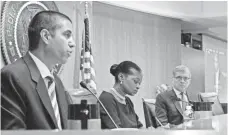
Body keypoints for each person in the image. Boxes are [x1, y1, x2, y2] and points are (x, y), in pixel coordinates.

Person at [1, 11, 76, 130]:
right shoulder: (12, 76)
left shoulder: (57, 82)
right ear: (46, 36)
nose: (73, 43)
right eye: (67, 35)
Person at [99, 61, 143, 129]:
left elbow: (139, 127)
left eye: (139, 83)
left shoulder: (128, 101)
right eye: (135, 81)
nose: (138, 86)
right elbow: (117, 131)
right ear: (121, 77)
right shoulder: (106, 99)